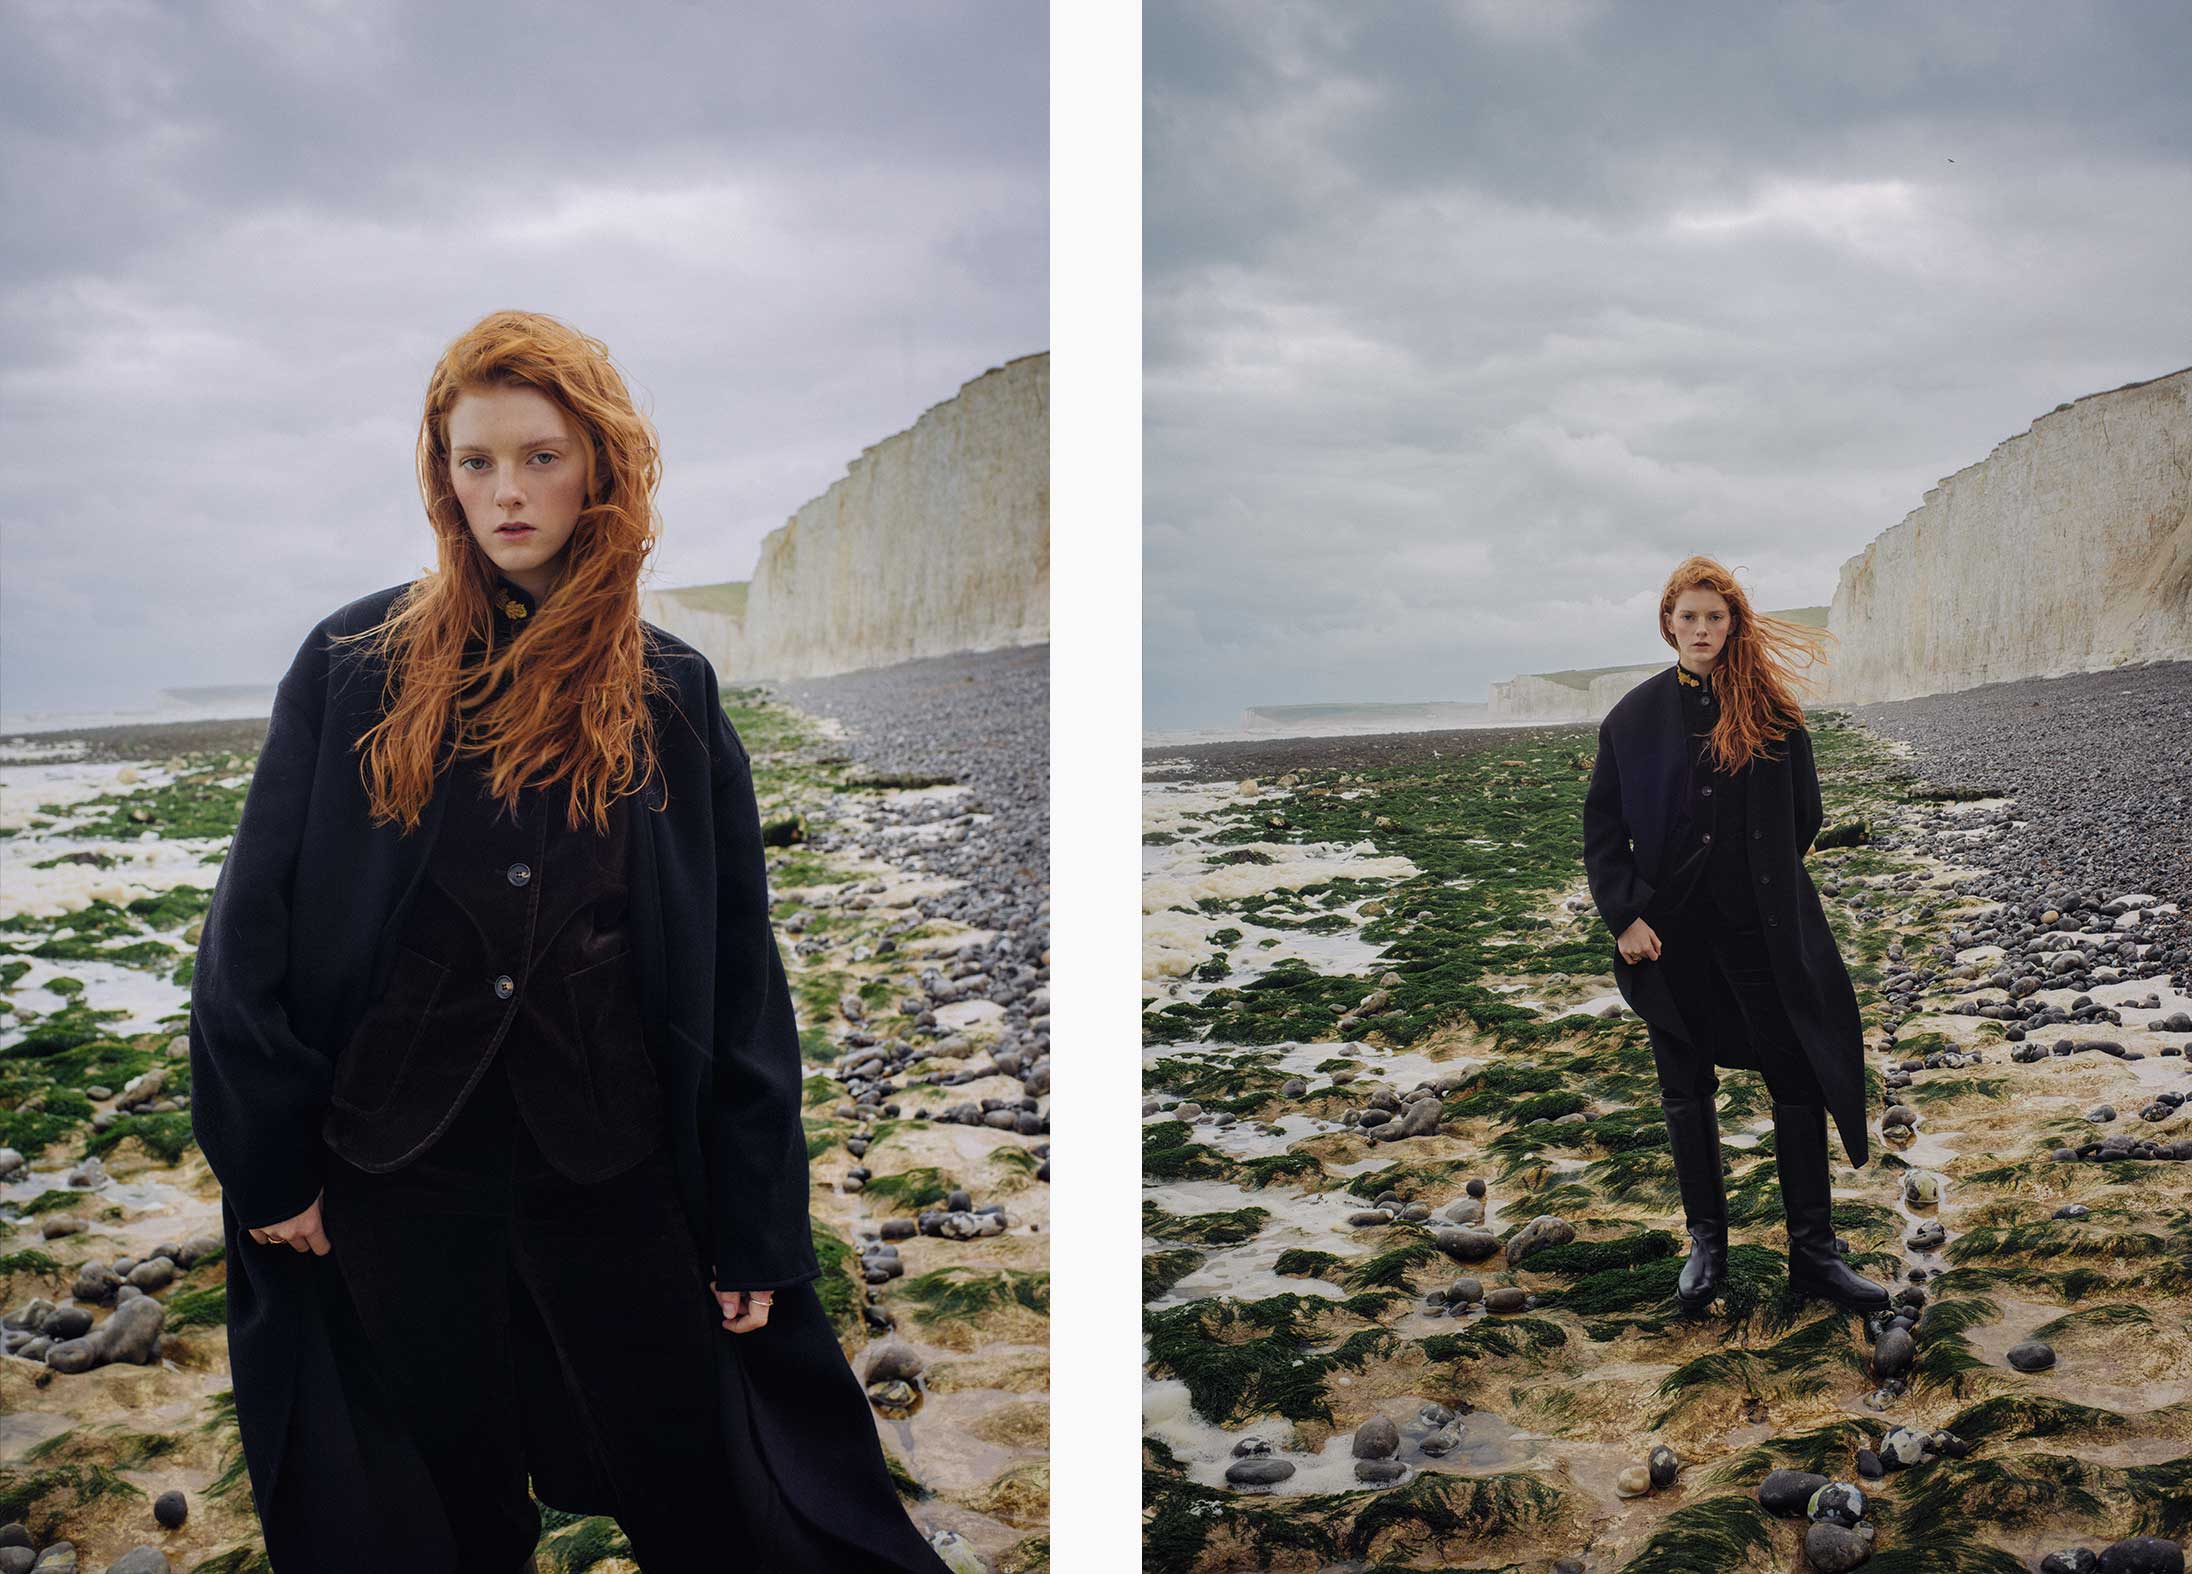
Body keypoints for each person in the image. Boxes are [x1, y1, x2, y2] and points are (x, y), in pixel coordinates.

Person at [188, 309, 950, 1572]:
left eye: (540, 455)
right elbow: (248, 927)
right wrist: (269, 1165)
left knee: (713, 1490)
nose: (506, 492)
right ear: (441, 473)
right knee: (433, 1510)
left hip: (612, 1165)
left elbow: (737, 970)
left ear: (600, 461)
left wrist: (756, 1215)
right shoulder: (353, 662)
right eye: (474, 460)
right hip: (392, 1171)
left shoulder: (669, 689)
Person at [1581, 555, 1890, 1318]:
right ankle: (1707, 1249)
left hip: (1761, 935)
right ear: (1667, 622)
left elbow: (1805, 816)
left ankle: (1813, 1257)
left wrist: (1764, 883)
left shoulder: (1772, 711)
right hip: (1669, 938)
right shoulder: (1631, 718)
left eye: (1714, 617)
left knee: (1796, 1079)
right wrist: (1627, 917)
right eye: (1688, 617)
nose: (1701, 630)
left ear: (1733, 622)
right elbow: (1603, 829)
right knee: (1685, 1089)